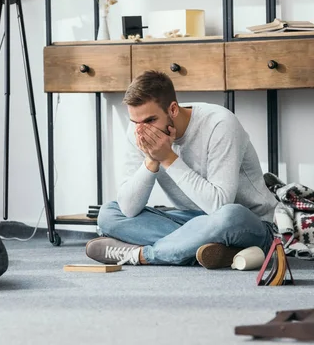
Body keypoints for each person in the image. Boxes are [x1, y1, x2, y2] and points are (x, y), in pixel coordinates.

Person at [85, 70, 279, 268]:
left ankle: (144, 254)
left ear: (173, 110)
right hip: (190, 221)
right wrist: (152, 160)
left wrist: (168, 158)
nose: (143, 130)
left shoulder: (220, 124)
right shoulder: (137, 130)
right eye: (135, 122)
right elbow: (128, 208)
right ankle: (208, 248)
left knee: (230, 216)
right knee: (109, 213)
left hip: (248, 222)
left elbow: (219, 205)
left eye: (150, 121)